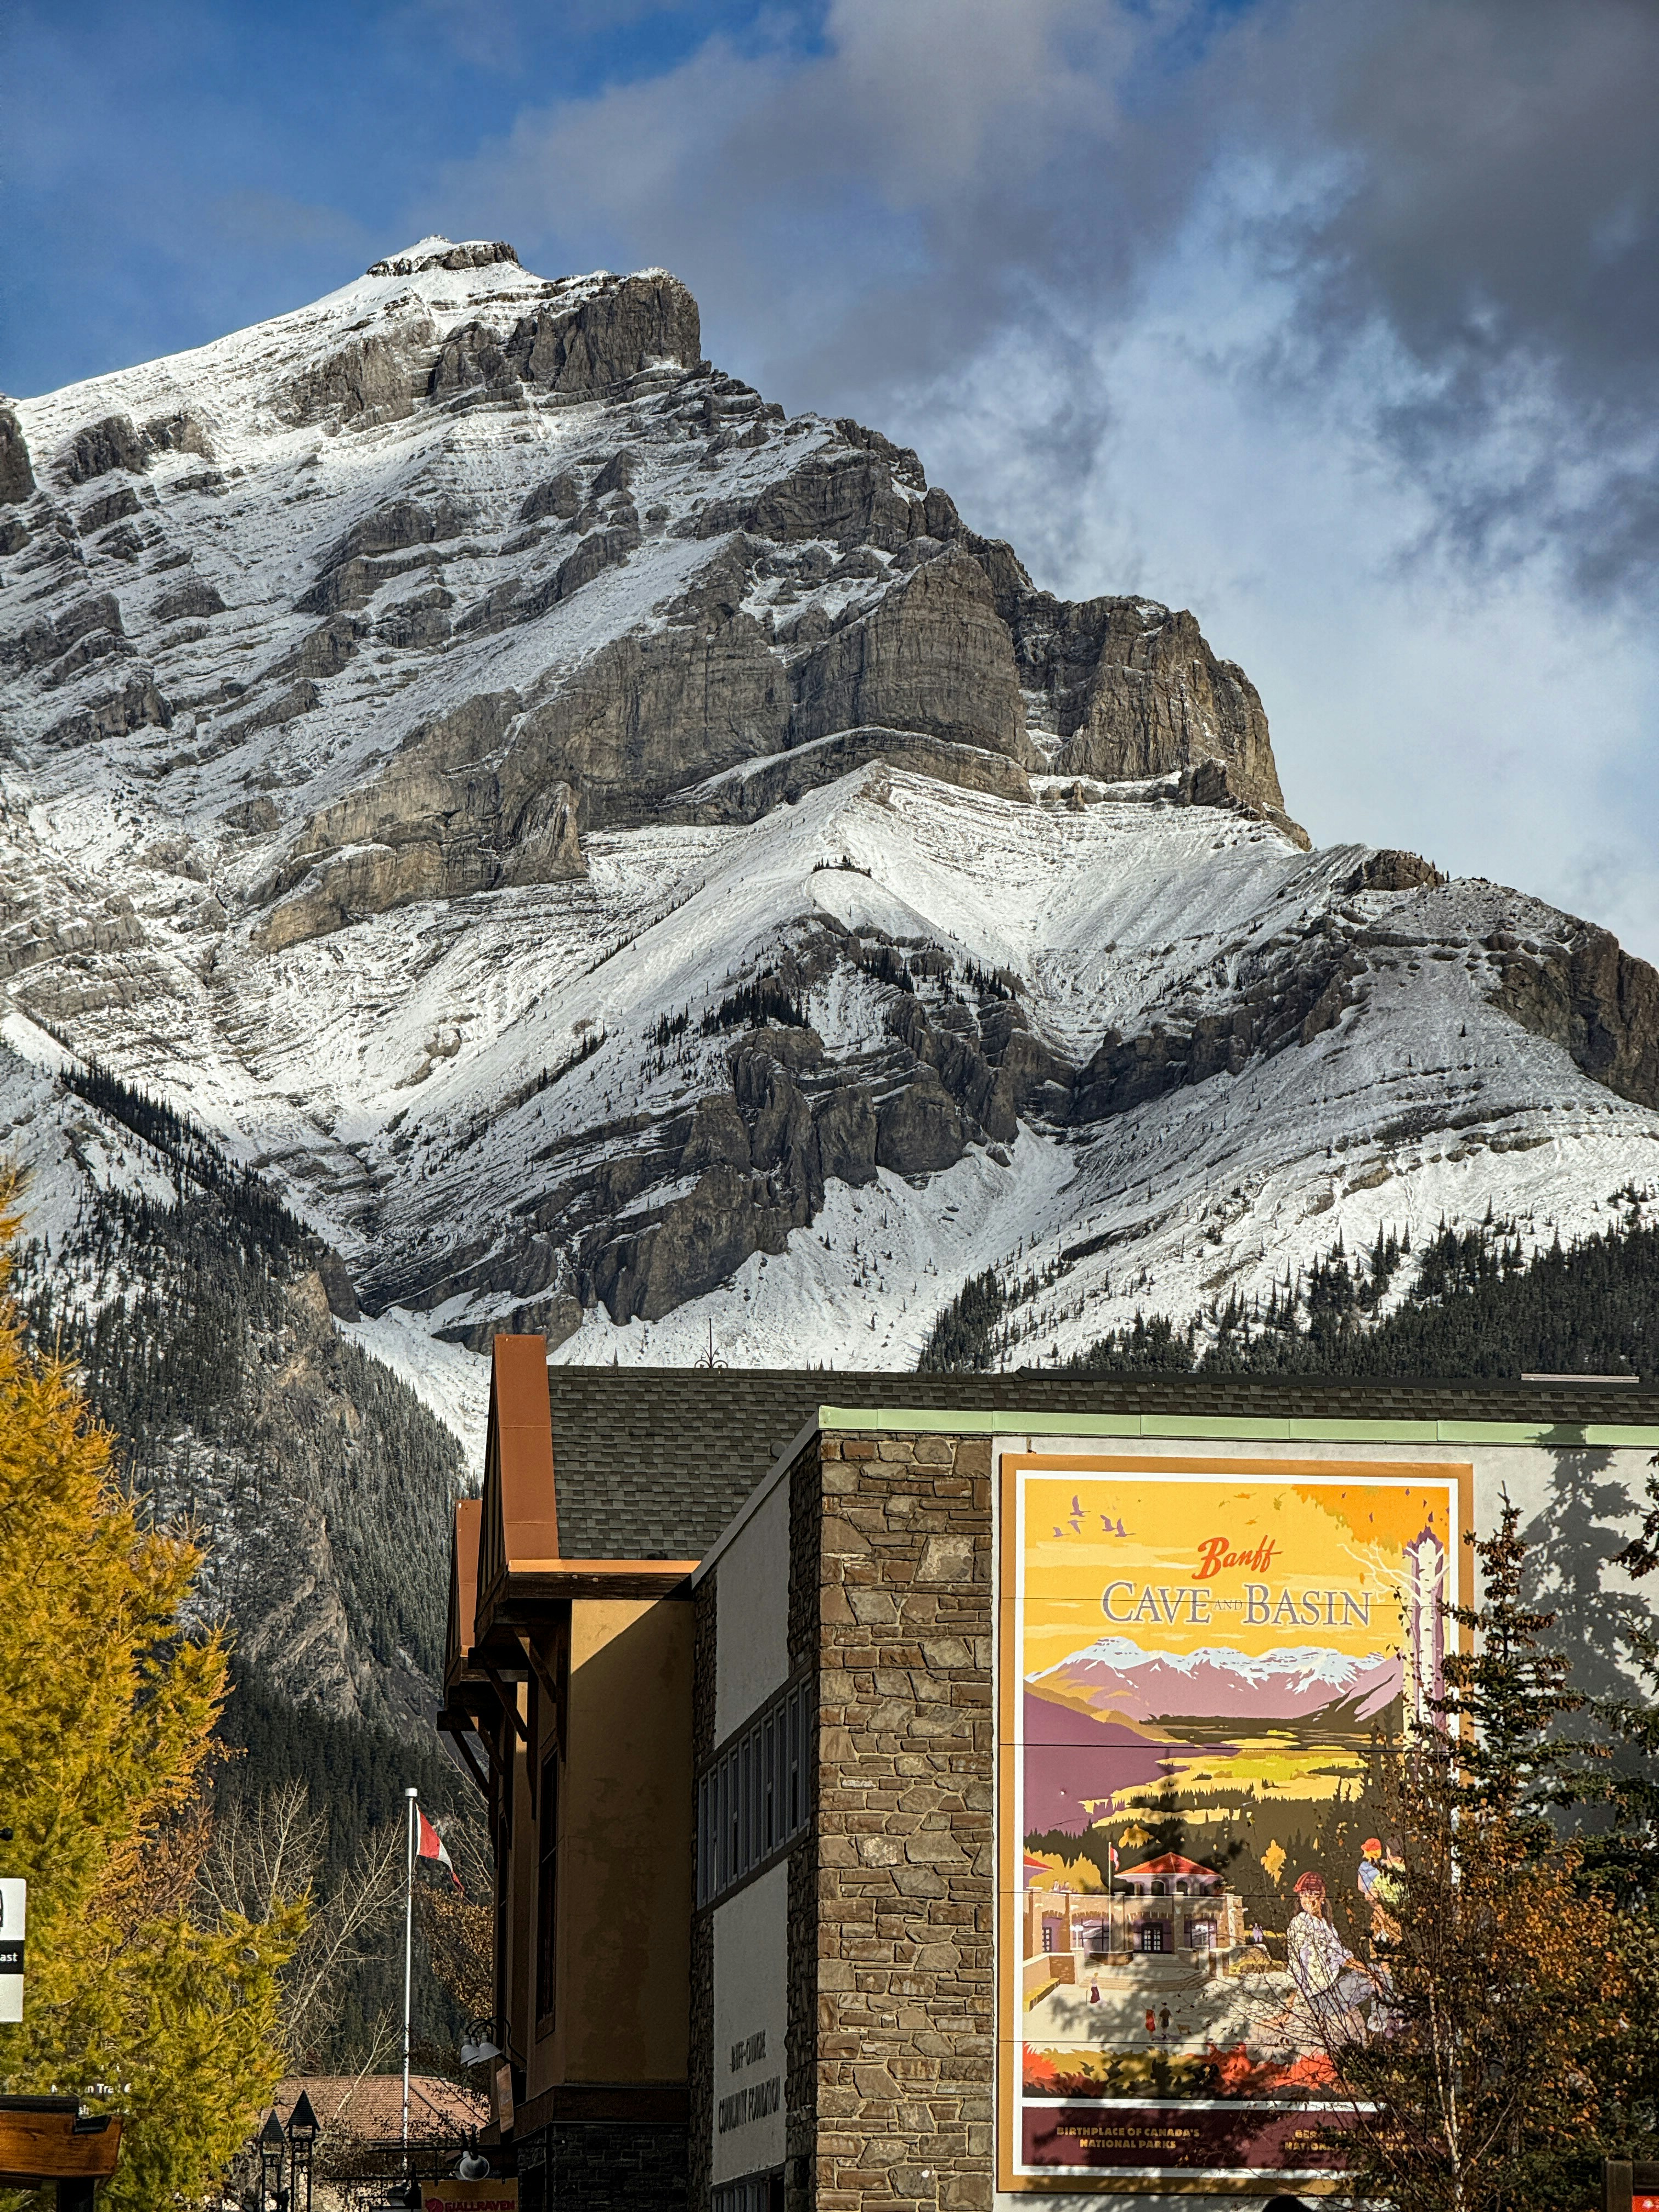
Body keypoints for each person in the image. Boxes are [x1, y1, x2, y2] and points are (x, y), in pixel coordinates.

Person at [1284, 1871, 1372, 2045]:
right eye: (1303, 1894)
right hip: (1313, 1995)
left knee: (1375, 1981)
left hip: (1329, 1990)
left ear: (1322, 1896)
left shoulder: (1326, 1926)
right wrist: (1293, 1999)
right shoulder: (1300, 1923)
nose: (1308, 1900)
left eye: (1312, 1894)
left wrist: (1369, 1972)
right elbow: (1296, 1964)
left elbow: (1342, 1957)